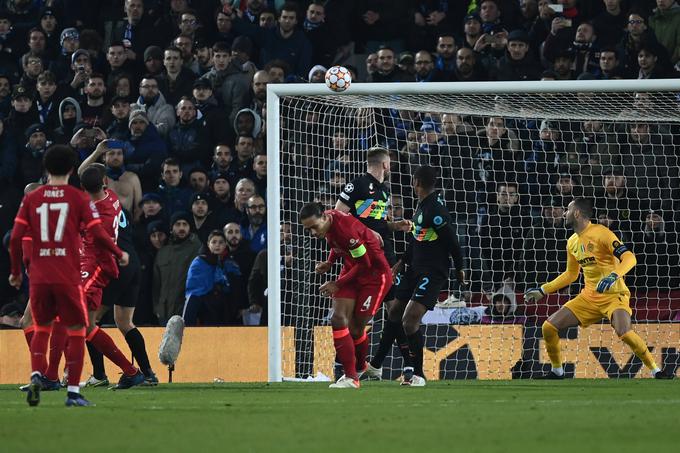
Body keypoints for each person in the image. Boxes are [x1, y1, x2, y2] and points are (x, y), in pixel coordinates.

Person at [8, 145, 129, 407]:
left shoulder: (32, 198)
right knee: (76, 329)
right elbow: (98, 234)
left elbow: (17, 237)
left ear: (45, 169)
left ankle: (39, 376)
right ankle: (71, 391)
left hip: (40, 272)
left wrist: (17, 271)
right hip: (67, 271)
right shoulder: (77, 198)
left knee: (37, 326)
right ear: (72, 170)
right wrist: (119, 253)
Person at [524, 199, 675, 379]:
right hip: (588, 298)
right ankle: (557, 371)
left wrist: (613, 276)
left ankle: (656, 370)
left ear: (577, 213)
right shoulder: (572, 241)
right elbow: (571, 275)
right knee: (548, 327)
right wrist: (543, 290)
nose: (564, 213)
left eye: (568, 210)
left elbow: (630, 258)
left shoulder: (602, 233)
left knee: (624, 332)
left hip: (613, 295)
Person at [334, 147, 412, 379]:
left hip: (383, 254)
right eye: (390, 164)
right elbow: (338, 215)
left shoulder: (384, 192)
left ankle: (406, 365)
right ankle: (348, 365)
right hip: (360, 254)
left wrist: (395, 226)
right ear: (385, 165)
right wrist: (363, 233)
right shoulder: (356, 185)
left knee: (393, 308)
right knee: (351, 314)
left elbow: (379, 224)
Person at [300, 202, 393, 389]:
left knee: (357, 329)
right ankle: (351, 377)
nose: (313, 233)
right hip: (352, 270)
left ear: (324, 218)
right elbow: (336, 244)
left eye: (314, 227)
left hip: (375, 277)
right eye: (308, 229)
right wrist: (329, 262)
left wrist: (337, 283)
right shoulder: (328, 220)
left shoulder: (345, 231)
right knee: (338, 318)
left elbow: (365, 263)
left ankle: (359, 367)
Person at [392, 165, 466, 386]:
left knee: (409, 319)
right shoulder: (422, 206)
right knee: (394, 312)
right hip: (414, 268)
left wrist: (460, 268)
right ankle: (408, 366)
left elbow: (452, 242)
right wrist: (402, 261)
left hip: (432, 272)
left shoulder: (435, 209)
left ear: (416, 182)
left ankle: (417, 374)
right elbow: (417, 239)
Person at [77, 164, 145, 390]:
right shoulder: (111, 196)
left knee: (83, 322)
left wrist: (118, 254)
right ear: (104, 183)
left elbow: (99, 237)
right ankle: (130, 371)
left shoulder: (95, 214)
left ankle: (126, 371)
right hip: (98, 264)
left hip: (97, 266)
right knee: (87, 323)